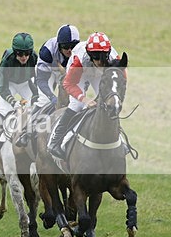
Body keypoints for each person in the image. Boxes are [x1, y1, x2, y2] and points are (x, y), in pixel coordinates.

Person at [47, 32, 120, 160]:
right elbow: (68, 84)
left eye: (102, 56)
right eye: (95, 56)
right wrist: (85, 99)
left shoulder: (114, 59)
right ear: (89, 54)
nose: (99, 61)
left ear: (108, 54)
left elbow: (122, 77)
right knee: (77, 104)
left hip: (100, 74)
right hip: (81, 72)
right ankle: (55, 141)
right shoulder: (79, 61)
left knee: (110, 102)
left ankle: (119, 141)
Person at [0, 32, 38, 162]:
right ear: (15, 52)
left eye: (27, 53)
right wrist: (13, 102)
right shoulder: (6, 60)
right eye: (20, 54)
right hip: (9, 85)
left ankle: (30, 137)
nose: (24, 57)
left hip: (25, 83)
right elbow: (1, 87)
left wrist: (36, 96)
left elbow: (38, 80)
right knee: (3, 111)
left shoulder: (35, 57)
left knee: (35, 109)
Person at [36, 24, 81, 108]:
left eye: (73, 46)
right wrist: (52, 97)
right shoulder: (47, 51)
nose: (69, 50)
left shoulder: (81, 52)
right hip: (50, 71)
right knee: (44, 101)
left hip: (68, 73)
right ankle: (31, 119)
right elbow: (41, 80)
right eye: (66, 46)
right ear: (59, 45)